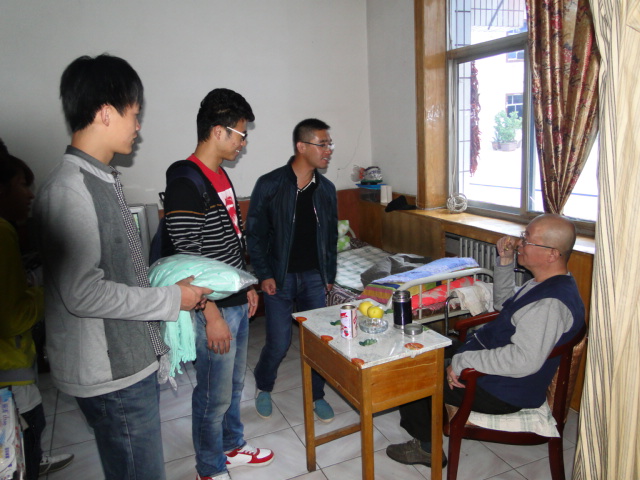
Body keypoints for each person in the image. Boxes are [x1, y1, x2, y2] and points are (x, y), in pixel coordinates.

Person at [32, 55, 212, 480]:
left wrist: (170, 287)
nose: (138, 126)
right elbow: (83, 293)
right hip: (111, 374)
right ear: (105, 112)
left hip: (128, 360)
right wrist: (171, 299)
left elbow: (119, 270)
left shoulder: (100, 178)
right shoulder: (70, 189)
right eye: (135, 114)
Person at [385, 214, 585, 468]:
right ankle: (426, 422)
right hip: (493, 361)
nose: (519, 243)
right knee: (422, 347)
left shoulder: (550, 305)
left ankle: (425, 447)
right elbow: (505, 305)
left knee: (410, 374)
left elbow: (524, 360)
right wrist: (505, 262)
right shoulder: (548, 283)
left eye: (527, 240)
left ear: (552, 254)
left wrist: (462, 362)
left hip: (503, 390)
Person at [162, 88, 273, 480]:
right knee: (212, 394)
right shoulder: (185, 181)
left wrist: (247, 287)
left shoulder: (219, 175)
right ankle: (208, 468)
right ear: (217, 131)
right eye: (241, 134)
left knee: (233, 385)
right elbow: (186, 264)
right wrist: (211, 316)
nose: (244, 143)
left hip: (234, 300)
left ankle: (232, 446)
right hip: (211, 308)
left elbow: (230, 242)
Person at [247, 118, 338, 423]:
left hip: (314, 277)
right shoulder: (270, 184)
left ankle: (317, 395)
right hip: (280, 277)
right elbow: (255, 235)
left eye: (329, 144)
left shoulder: (326, 190)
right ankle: (263, 386)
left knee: (318, 341)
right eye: (322, 144)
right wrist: (264, 274)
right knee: (278, 342)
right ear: (302, 146)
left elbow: (330, 237)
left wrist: (329, 276)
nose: (328, 150)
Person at [0, 141, 74, 479]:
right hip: (10, 374)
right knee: (24, 440)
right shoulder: (3, 232)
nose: (30, 194)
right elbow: (12, 316)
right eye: (22, 184)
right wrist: (50, 292)